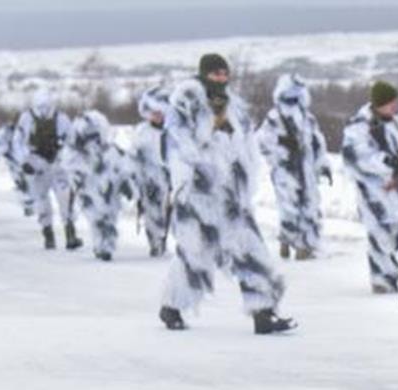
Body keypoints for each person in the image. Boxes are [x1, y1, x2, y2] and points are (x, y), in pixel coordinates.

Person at [158, 53, 292, 334]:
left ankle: (263, 313)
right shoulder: (187, 102)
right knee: (195, 253)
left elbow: (246, 144)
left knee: (250, 250)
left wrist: (247, 177)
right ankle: (172, 306)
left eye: (224, 73)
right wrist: (184, 180)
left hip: (231, 194)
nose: (221, 78)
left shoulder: (234, 106)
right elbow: (176, 143)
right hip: (198, 192)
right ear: (204, 73)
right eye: (215, 73)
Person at [341, 80, 398, 294]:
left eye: (395, 101)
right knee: (382, 240)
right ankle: (383, 281)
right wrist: (386, 165)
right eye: (389, 102)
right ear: (378, 104)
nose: (394, 106)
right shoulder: (360, 126)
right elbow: (356, 158)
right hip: (379, 198)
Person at [255, 72, 332, 261]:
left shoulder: (307, 118)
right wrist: (282, 150)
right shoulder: (275, 118)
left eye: (297, 95)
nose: (293, 99)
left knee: (310, 206)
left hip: (306, 169)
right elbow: (262, 142)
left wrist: (323, 165)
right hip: (285, 169)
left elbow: (318, 143)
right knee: (289, 207)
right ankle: (287, 240)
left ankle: (305, 246)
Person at [14, 90, 82, 250]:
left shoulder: (59, 118)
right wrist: (24, 161)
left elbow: (71, 141)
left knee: (59, 199)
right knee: (47, 200)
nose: (44, 109)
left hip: (53, 162)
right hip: (42, 163)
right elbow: (18, 142)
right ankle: (54, 234)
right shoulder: (29, 118)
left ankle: (63, 234)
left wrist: (70, 161)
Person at [65, 110, 133, 262]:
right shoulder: (77, 153)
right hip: (89, 192)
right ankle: (99, 245)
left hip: (110, 191)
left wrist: (126, 184)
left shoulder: (111, 150)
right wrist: (76, 178)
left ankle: (107, 247)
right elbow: (70, 167)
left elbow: (123, 167)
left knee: (110, 219)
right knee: (95, 219)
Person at [129, 86, 172, 258]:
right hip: (150, 180)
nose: (157, 115)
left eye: (160, 112)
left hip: (172, 179)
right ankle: (155, 242)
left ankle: (165, 238)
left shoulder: (174, 131)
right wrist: (136, 178)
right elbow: (133, 157)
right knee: (152, 213)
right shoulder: (142, 132)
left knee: (171, 212)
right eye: (154, 112)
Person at [0, 120, 35, 218]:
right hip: (14, 162)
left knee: (31, 184)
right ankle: (27, 207)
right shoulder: (8, 131)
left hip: (29, 162)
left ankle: (32, 206)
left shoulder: (30, 128)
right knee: (20, 185)